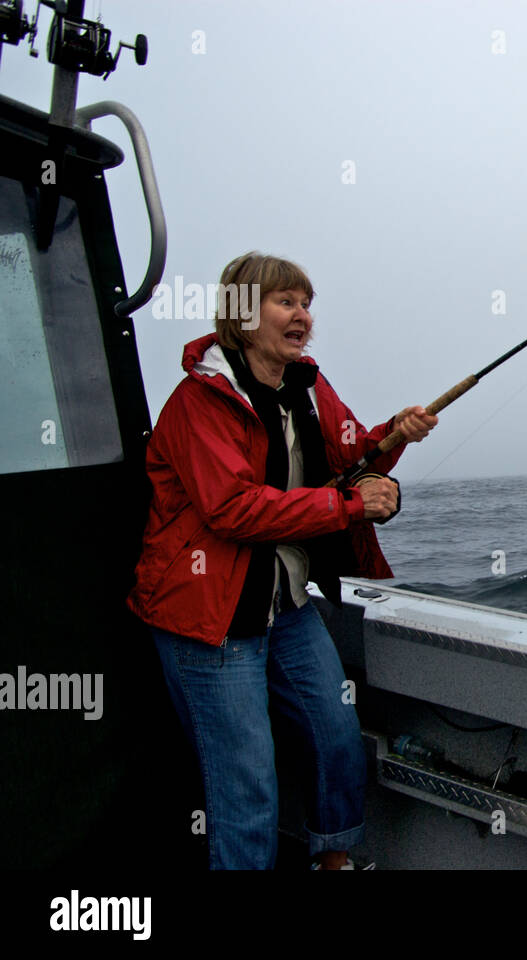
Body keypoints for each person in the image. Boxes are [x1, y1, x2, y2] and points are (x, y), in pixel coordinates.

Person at [127, 252, 439, 869]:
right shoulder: (198, 402)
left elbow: (354, 451)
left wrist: (394, 435)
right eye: (286, 302)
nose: (303, 317)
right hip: (208, 620)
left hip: (284, 606)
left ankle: (334, 860)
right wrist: (349, 506)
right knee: (246, 785)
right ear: (243, 313)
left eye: (307, 303)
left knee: (336, 736)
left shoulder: (308, 385)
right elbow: (234, 510)